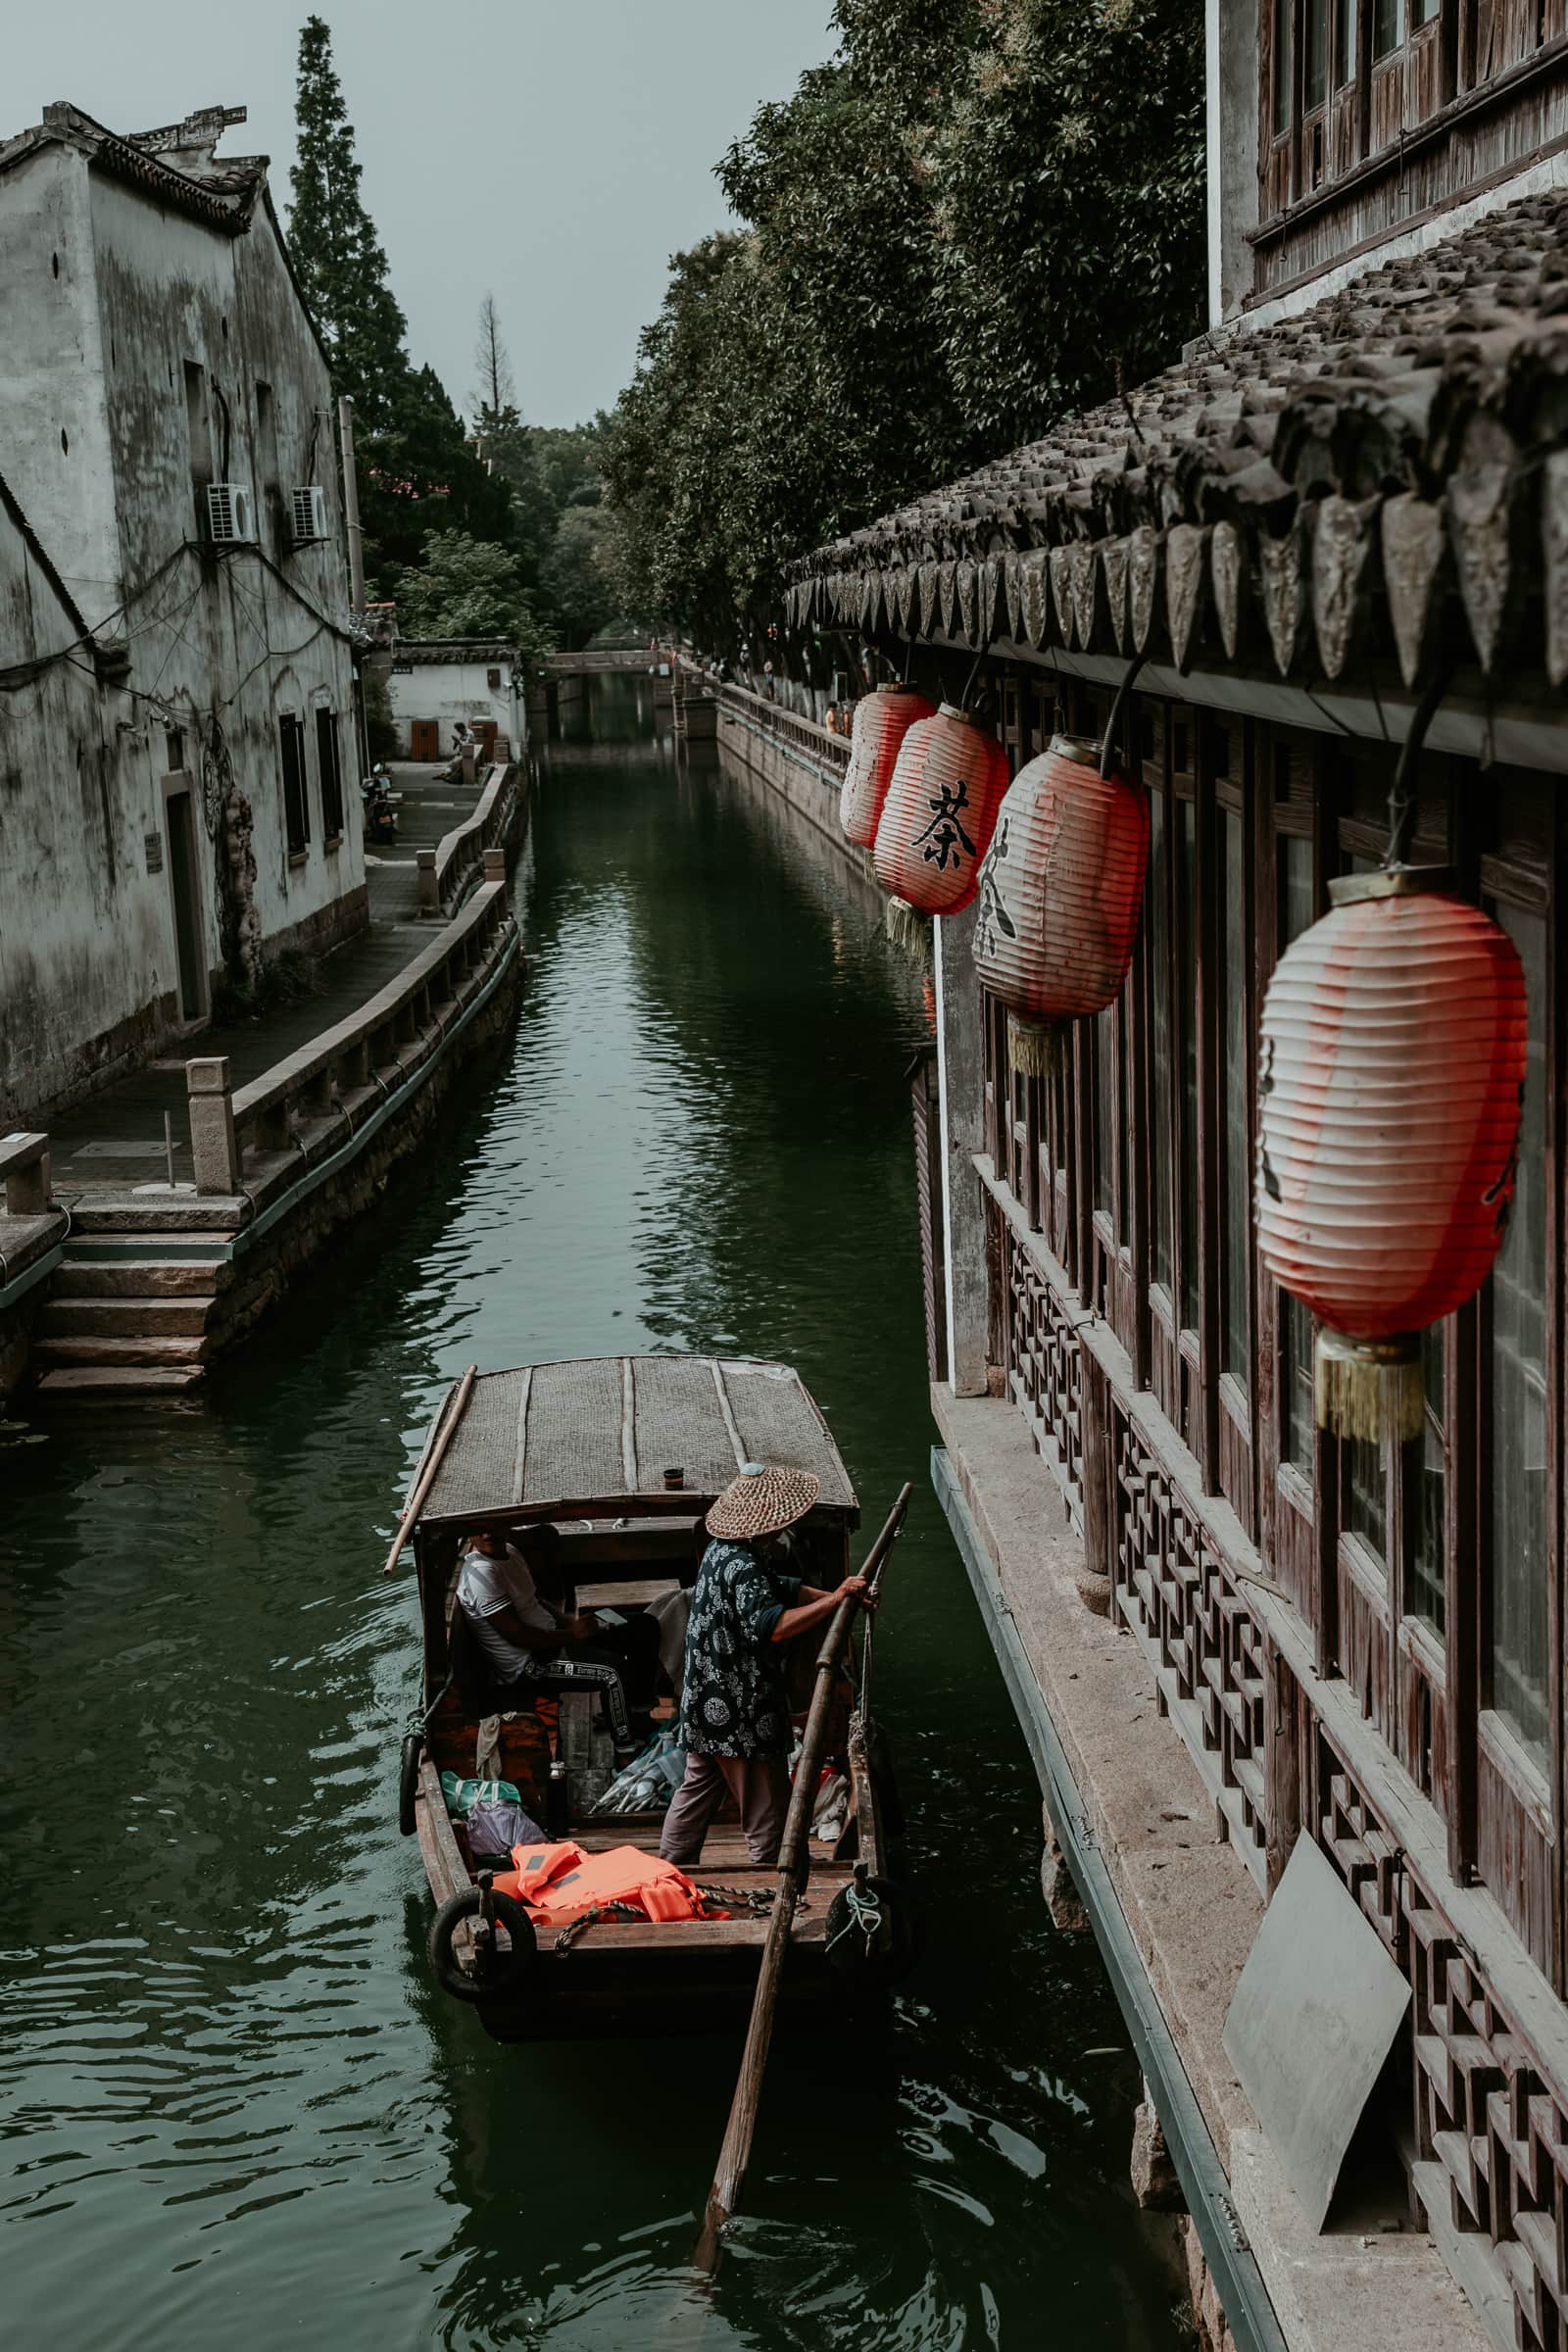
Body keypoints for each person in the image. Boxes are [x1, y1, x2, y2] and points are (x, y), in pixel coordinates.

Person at [659, 1462, 875, 1870]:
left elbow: (784, 1588)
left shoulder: (723, 1551)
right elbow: (772, 1626)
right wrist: (833, 1602)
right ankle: (774, 1878)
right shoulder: (742, 1564)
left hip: (705, 1702)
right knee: (766, 1805)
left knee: (696, 1791)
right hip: (738, 1709)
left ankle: (671, 1868)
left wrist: (839, 1595)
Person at [456, 1525, 658, 1754]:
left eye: (492, 1524)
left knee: (643, 1626)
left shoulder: (510, 1551)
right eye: (478, 1528)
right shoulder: (481, 1574)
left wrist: (569, 1622)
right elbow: (518, 1635)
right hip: (530, 1664)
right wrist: (571, 1634)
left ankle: (636, 1713)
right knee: (612, 1673)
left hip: (553, 1638)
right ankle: (626, 1751)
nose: (487, 1533)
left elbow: (534, 1600)